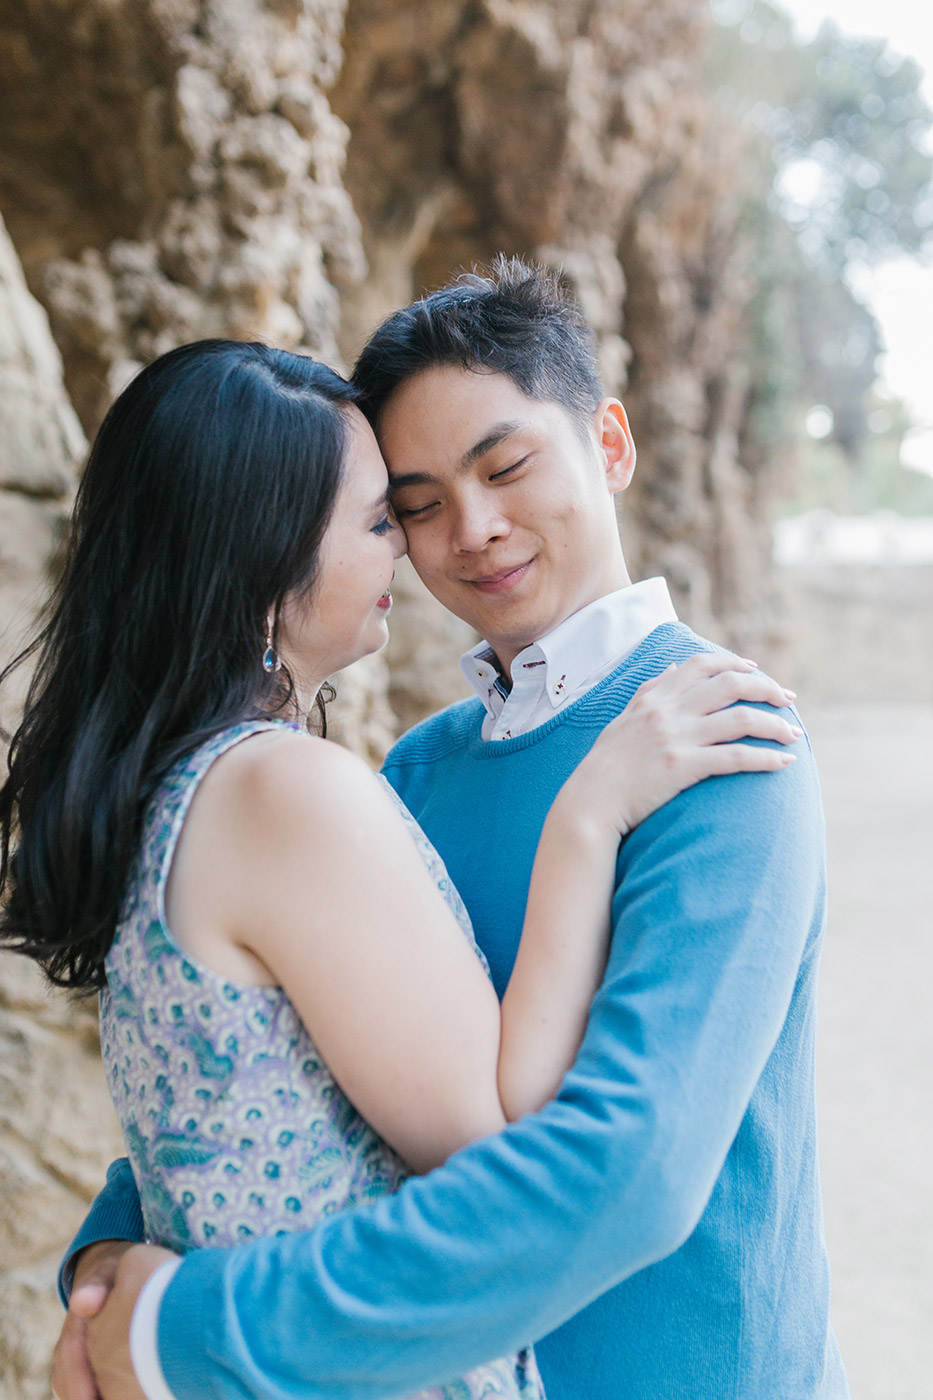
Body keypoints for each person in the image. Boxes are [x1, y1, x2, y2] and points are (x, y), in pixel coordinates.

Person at [53, 261, 847, 1400]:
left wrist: (188, 1329)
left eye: (507, 464)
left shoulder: (722, 745)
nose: (472, 528)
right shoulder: (418, 768)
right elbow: (299, 1066)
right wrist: (110, 1250)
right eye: (413, 504)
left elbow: (631, 1170)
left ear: (610, 443)